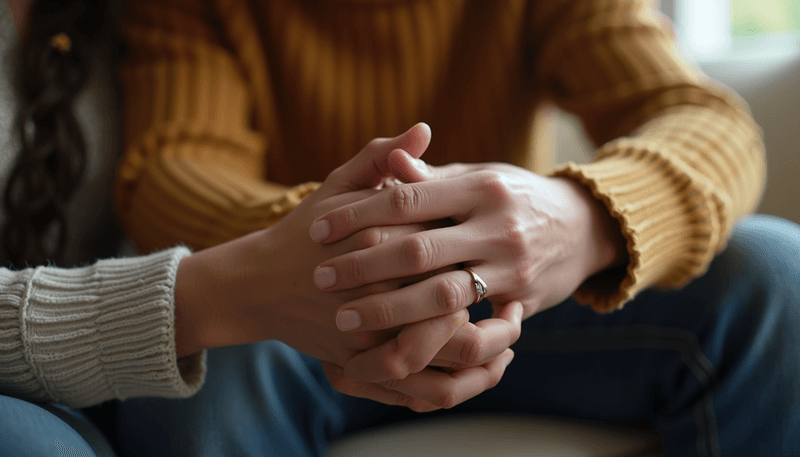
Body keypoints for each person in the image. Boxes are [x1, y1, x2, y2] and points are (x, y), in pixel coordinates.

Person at [110, 0, 800, 456]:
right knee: (197, 371)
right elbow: (173, 168)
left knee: (778, 277)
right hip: (298, 310)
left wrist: (581, 217)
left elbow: (707, 119)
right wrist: (358, 247)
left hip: (515, 300)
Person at [0, 1, 510, 456]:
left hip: (486, 273)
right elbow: (172, 169)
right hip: (118, 334)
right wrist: (333, 238)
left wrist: (579, 209)